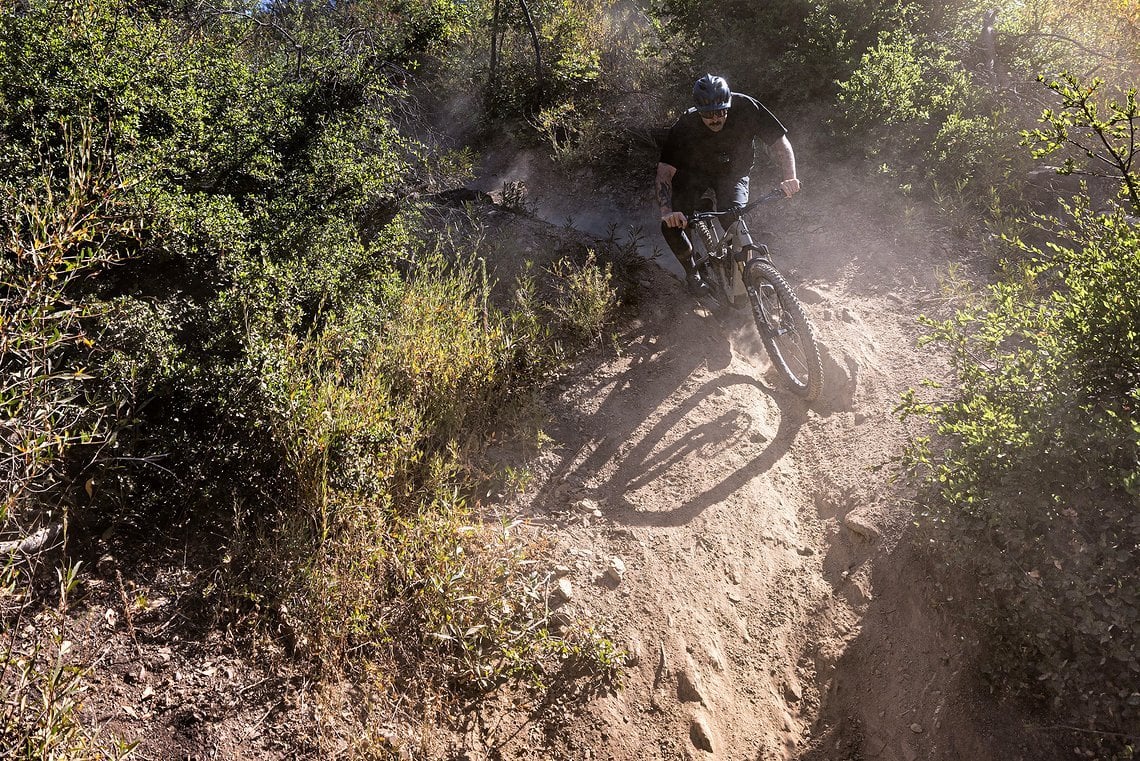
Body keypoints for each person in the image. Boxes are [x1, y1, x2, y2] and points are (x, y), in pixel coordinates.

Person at [656, 74, 801, 295]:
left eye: (720, 111)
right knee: (671, 226)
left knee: (733, 219)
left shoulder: (747, 108)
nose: (715, 119)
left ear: (729, 104)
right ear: (698, 111)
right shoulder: (686, 125)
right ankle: (693, 272)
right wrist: (667, 212)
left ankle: (747, 279)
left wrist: (790, 177)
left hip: (733, 174)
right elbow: (665, 172)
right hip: (693, 175)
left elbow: (781, 144)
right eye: (707, 114)